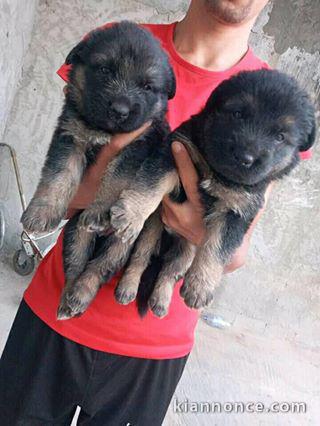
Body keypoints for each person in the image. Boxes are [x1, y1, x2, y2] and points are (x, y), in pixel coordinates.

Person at [0, 1, 311, 425]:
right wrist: (112, 192)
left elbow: (235, 249)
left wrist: (193, 228)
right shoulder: (118, 40)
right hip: (53, 310)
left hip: (154, 345)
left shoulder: (276, 98)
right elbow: (67, 162)